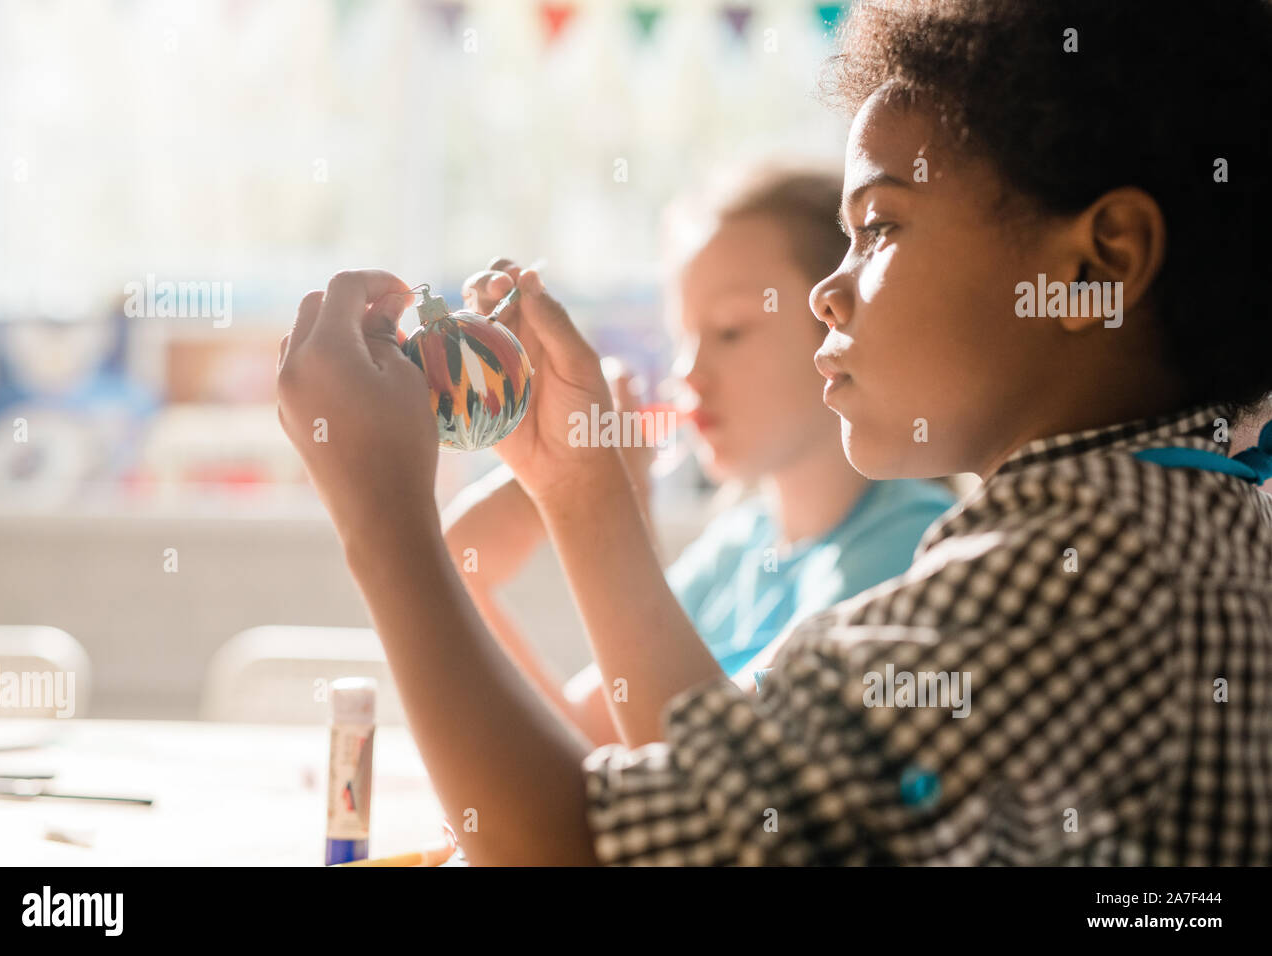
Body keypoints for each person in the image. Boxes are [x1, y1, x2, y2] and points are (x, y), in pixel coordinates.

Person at [275, 0, 1272, 865]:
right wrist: (584, 492)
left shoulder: (1080, 574)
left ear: (1099, 265)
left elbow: (584, 849)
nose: (833, 291)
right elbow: (740, 808)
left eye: (878, 225)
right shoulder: (1159, 518)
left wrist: (380, 516)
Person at [441, 166, 955, 747]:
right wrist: (463, 572)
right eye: (682, 337)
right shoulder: (739, 546)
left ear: (838, 324)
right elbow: (590, 740)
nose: (689, 371)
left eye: (732, 330)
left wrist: (594, 498)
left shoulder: (909, 551)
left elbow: (700, 772)